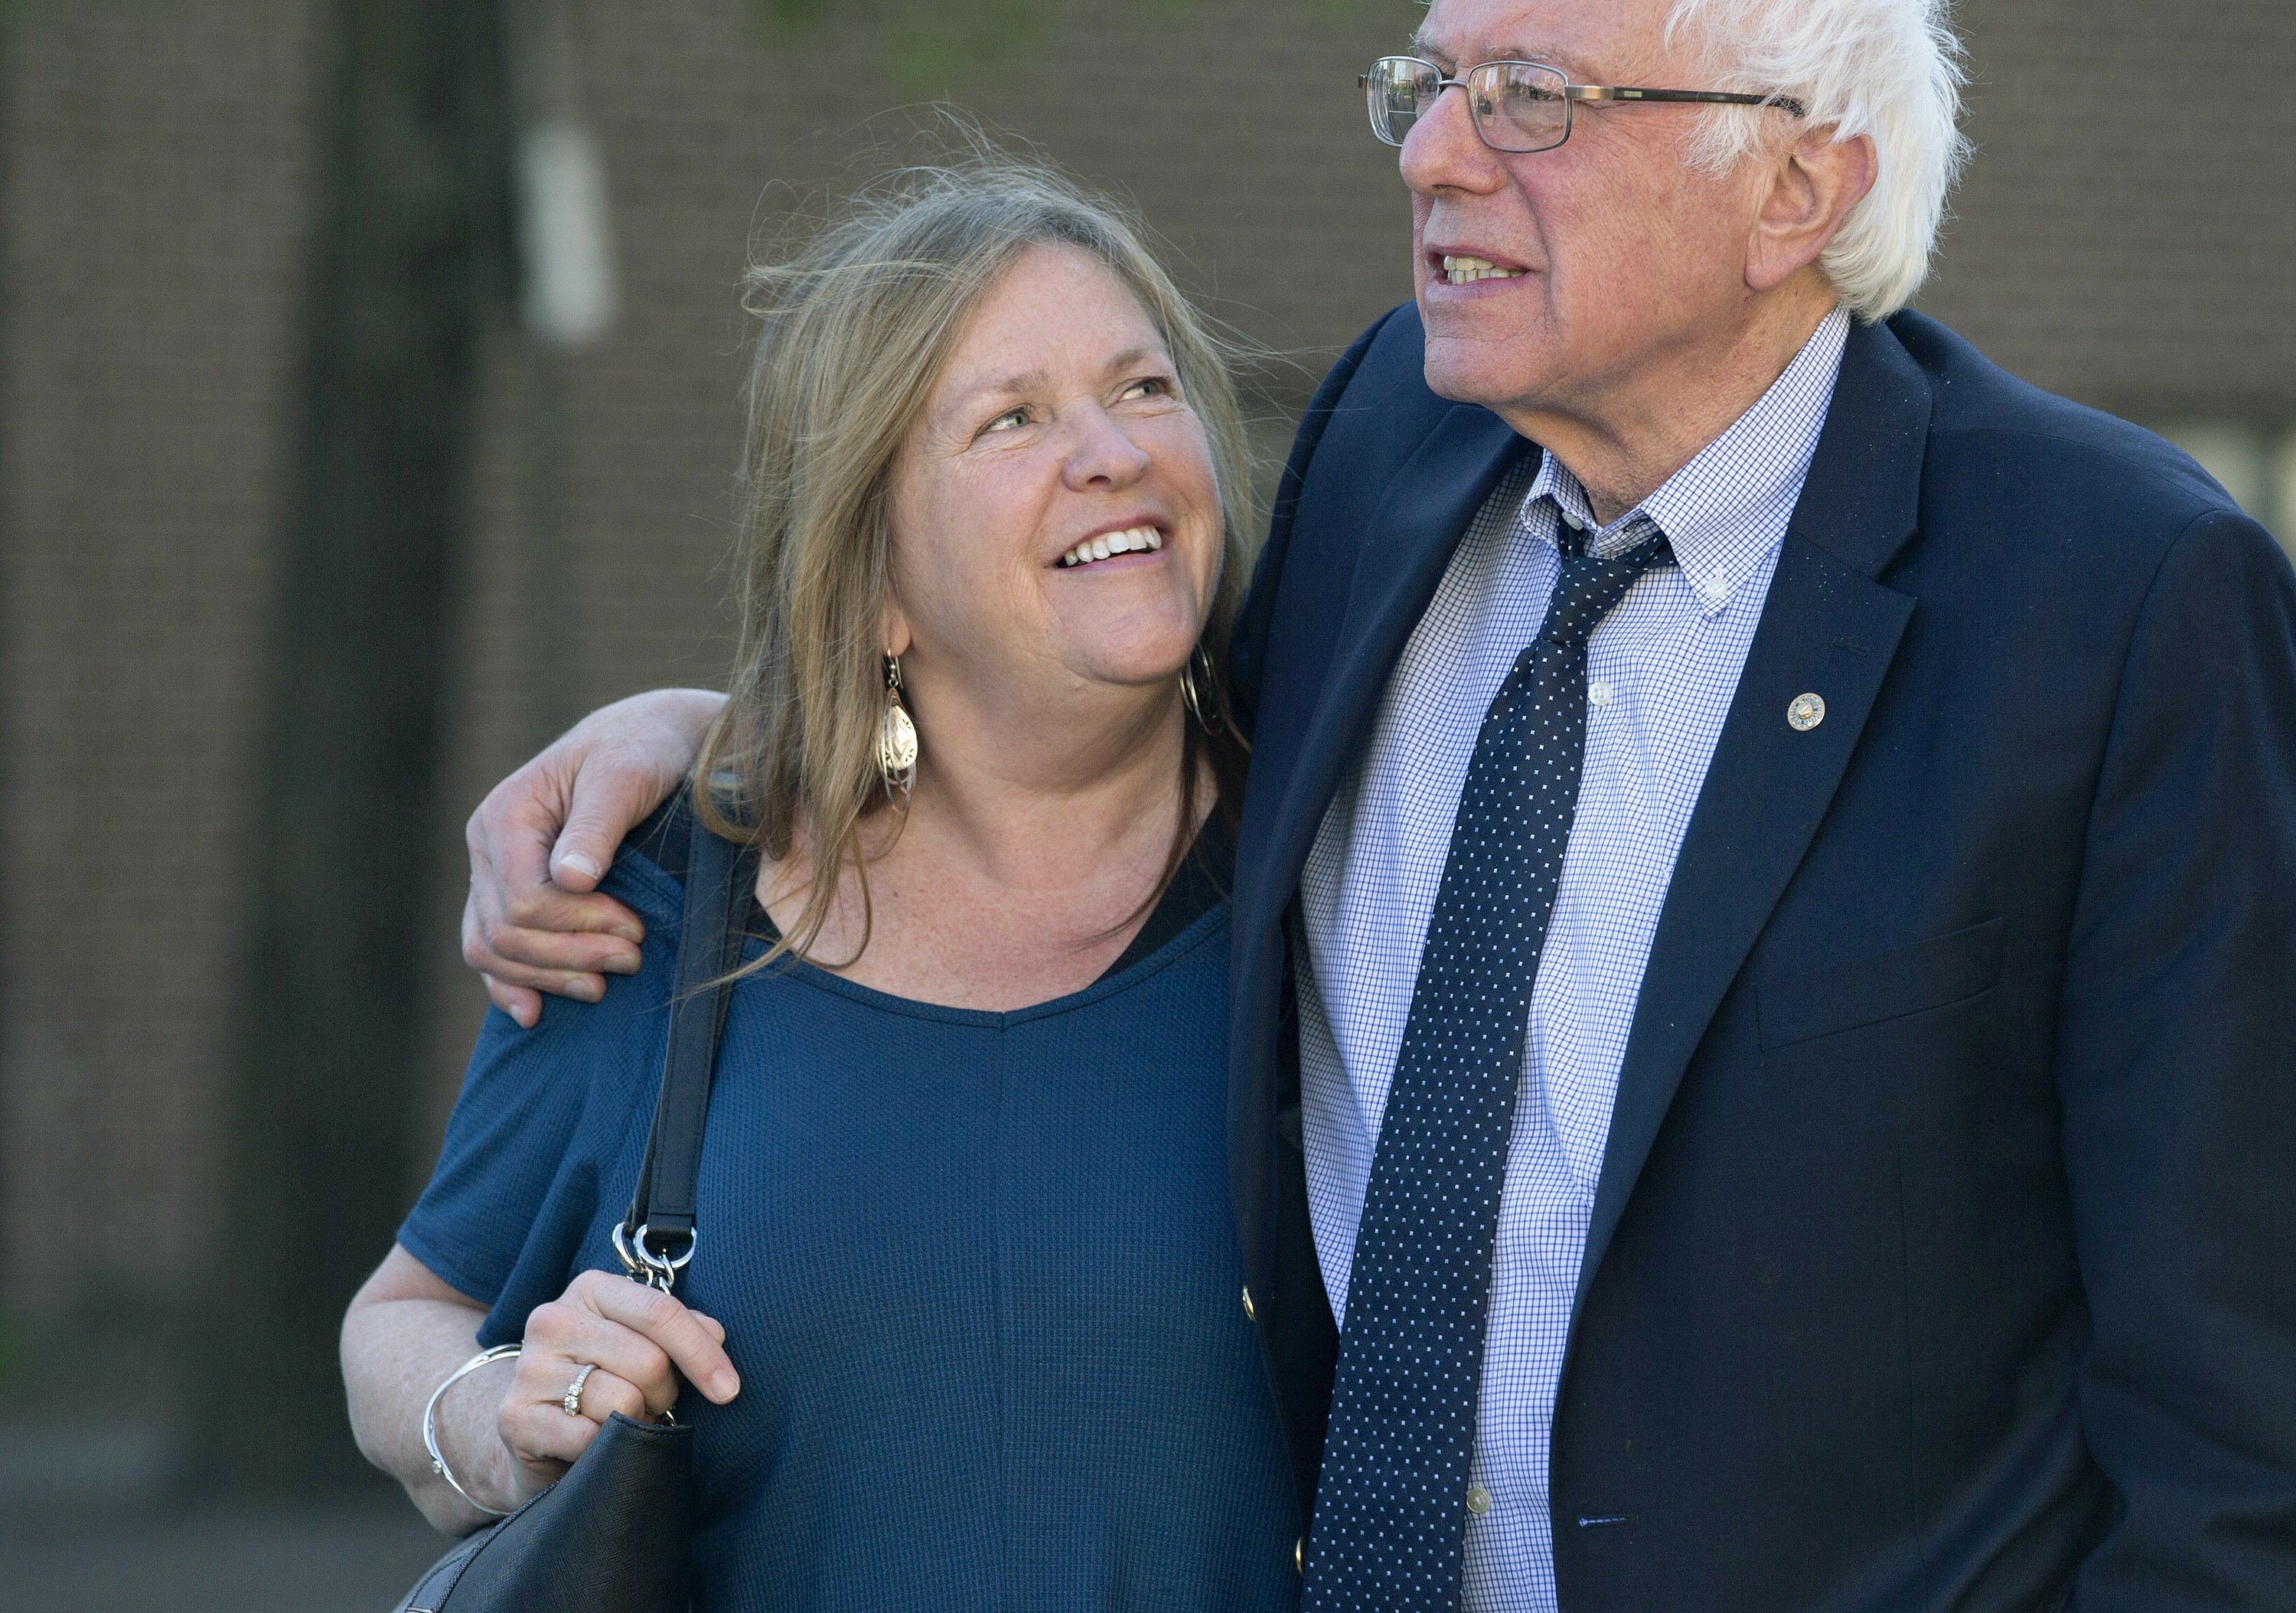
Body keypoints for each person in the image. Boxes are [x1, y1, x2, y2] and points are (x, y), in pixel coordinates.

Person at [465, 0, 2296, 1608]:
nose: (1431, 153)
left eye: (1532, 96)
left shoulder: (2119, 598)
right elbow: (1066, 691)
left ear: (1796, 190)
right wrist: (724, 734)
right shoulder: (1390, 449)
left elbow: (2237, 1410)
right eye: (1428, 81)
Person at [343, 159, 1309, 1611]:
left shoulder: (1347, 866)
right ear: (876, 583)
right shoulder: (660, 903)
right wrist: (493, 1415)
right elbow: (403, 1314)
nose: (1112, 451)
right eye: (1013, 419)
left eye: (1146, 388)